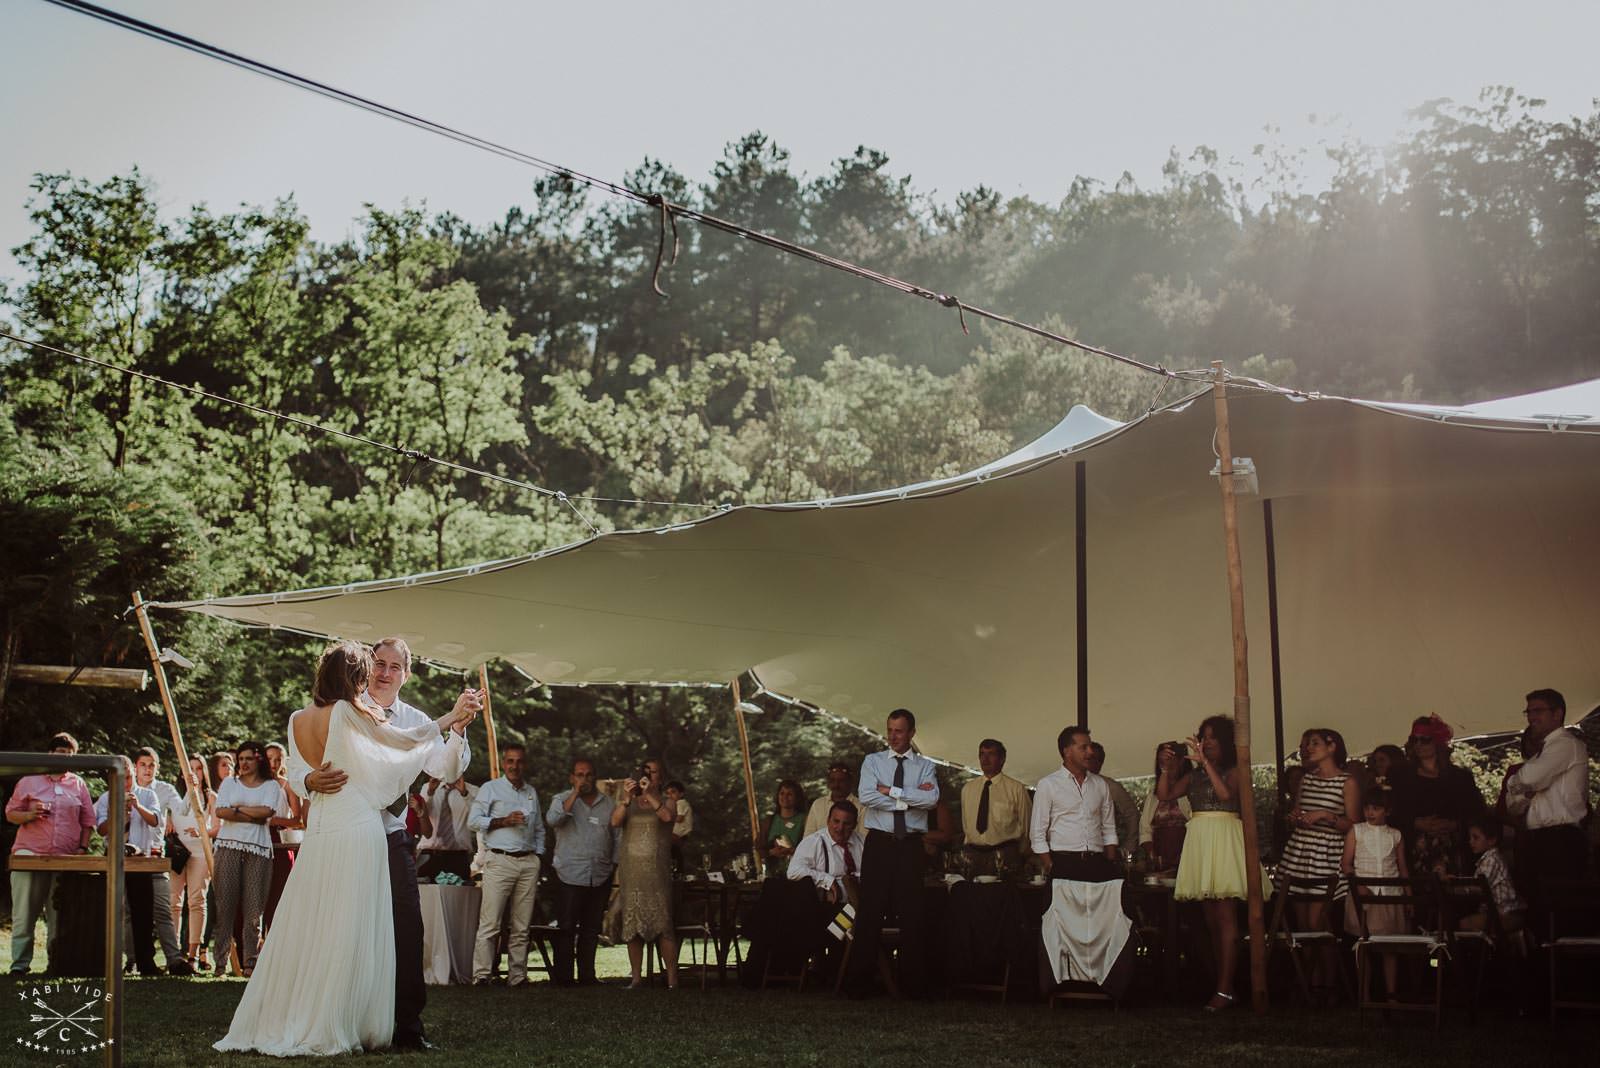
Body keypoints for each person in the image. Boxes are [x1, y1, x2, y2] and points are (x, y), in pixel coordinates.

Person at [215, 639, 472, 1055]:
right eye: (376, 665)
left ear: (406, 673)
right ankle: (342, 1018)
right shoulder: (353, 711)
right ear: (361, 673)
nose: (383, 673)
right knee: (343, 926)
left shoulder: (315, 715)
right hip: (354, 829)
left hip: (362, 835)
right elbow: (308, 770)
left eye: (393, 666)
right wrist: (308, 781)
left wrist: (456, 729)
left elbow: (442, 765)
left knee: (392, 929)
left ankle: (400, 1024)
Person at [1161, 715, 1258, 1012]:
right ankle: (1223, 985)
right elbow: (1164, 795)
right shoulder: (1193, 776)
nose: (1207, 741)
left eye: (1213, 736)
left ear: (1226, 741)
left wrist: (1206, 764)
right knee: (1211, 920)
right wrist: (1167, 769)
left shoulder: (1235, 769)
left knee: (1227, 917)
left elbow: (1226, 794)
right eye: (1203, 736)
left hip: (1225, 836)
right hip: (1201, 839)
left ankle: (1226, 988)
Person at [846, 708, 938, 998]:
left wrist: (893, 792)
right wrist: (910, 797)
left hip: (910, 845)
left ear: (911, 733)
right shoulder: (872, 761)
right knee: (870, 910)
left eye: (899, 731)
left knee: (913, 913)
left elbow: (932, 799)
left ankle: (914, 987)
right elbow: (868, 796)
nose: (893, 736)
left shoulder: (925, 765)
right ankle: (859, 985)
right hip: (880, 843)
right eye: (889, 730)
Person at [1033, 726, 1131, 996]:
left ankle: (1105, 981)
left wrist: (1110, 863)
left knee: (1101, 923)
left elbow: (1109, 828)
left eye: (1090, 747)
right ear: (1066, 751)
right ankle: (1059, 983)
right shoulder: (1048, 785)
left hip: (1097, 863)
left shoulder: (1100, 785)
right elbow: (1037, 834)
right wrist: (1051, 865)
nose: (1090, 751)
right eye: (1083, 746)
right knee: (1062, 924)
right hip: (1063, 861)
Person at [7, 733, 95, 975]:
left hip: (65, 858)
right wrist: (29, 815)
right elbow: (10, 813)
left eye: (70, 755)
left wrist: (82, 848)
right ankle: (19, 966)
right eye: (61, 753)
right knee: (24, 913)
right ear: (50, 754)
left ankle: (57, 964)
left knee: (60, 915)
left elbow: (88, 821)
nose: (65, 758)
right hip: (29, 854)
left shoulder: (78, 783)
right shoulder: (29, 780)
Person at [1504, 689, 1589, 924]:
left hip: (1561, 839)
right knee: (1537, 910)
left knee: (1562, 910)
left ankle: (1564, 960)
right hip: (1538, 839)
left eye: (1538, 710)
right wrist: (1522, 785)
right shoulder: (1540, 753)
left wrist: (1519, 783)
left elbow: (1529, 779)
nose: (1531, 717)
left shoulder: (1566, 744)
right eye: (1528, 711)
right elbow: (1513, 804)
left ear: (1557, 713)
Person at [467, 743, 544, 987]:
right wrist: (503, 820)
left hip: (528, 862)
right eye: (510, 761)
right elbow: (473, 821)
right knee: (490, 923)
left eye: (519, 761)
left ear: (525, 764)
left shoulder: (531, 792)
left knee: (522, 925)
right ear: (504, 763)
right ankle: (481, 976)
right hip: (499, 860)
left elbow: (540, 828)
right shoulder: (491, 789)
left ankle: (517, 977)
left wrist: (538, 855)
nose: (514, 766)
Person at [1277, 729, 1361, 941]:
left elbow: (1354, 825)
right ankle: (1309, 974)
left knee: (1317, 922)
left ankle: (1329, 974)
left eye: (1315, 743)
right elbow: (1298, 812)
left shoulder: (1347, 782)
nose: (1308, 748)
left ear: (1332, 747)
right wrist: (1296, 817)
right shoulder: (1307, 779)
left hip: (1326, 853)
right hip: (1300, 852)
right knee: (1302, 925)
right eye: (1307, 744)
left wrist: (1325, 815)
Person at [211, 741, 283, 977]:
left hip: (259, 851)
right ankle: (220, 964)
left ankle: (250, 963)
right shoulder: (229, 783)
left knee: (254, 911)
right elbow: (221, 811)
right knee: (226, 908)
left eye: (248, 759)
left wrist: (238, 809)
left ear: (258, 760)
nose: (243, 763)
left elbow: (267, 813)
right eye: (240, 759)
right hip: (228, 849)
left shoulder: (271, 786)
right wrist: (252, 812)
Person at [546, 757, 617, 986]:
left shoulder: (609, 804)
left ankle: (587, 976)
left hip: (600, 874)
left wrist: (613, 867)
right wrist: (574, 794)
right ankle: (564, 978)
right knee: (566, 928)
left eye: (588, 775)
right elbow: (553, 820)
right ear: (572, 778)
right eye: (579, 775)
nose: (584, 779)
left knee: (591, 928)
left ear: (595, 777)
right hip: (569, 872)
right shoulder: (561, 799)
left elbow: (617, 837)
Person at [610, 756, 678, 988]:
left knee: (663, 923)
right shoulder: (630, 802)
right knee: (633, 923)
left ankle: (671, 978)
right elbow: (615, 822)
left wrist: (650, 795)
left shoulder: (669, 801)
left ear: (661, 777)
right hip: (632, 871)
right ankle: (636, 977)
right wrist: (627, 799)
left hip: (656, 873)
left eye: (654, 772)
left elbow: (667, 817)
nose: (648, 775)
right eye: (645, 771)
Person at [129, 747, 194, 975]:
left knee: (162, 910)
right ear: (136, 767)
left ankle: (174, 960)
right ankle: (133, 958)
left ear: (158, 767)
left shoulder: (164, 789)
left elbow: (183, 810)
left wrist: (190, 788)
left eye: (152, 765)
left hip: (154, 856)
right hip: (130, 857)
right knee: (128, 912)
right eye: (143, 764)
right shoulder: (126, 787)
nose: (147, 769)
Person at [1396, 715, 1485, 876]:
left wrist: (1454, 824)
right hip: (1415, 852)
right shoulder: (1401, 777)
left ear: (1437, 742)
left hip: (1454, 850)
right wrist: (1415, 823)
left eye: (1425, 740)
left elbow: (1476, 812)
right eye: (1414, 739)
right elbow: (1392, 812)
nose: (1418, 744)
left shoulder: (1460, 777)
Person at [1341, 787, 1408, 998]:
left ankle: (1391, 993)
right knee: (1364, 944)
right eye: (1367, 808)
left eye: (1376, 808)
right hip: (1364, 894)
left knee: (1390, 946)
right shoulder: (1357, 831)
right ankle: (1364, 993)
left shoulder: (1396, 835)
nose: (1370, 812)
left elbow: (1402, 867)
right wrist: (1358, 885)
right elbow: (1346, 864)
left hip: (1389, 894)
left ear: (1387, 811)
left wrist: (1408, 896)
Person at [168, 754, 215, 971]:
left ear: (203, 772)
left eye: (198, 768)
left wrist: (202, 831)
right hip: (177, 852)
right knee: (173, 902)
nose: (194, 772)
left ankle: (193, 954)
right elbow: (172, 814)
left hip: (199, 852)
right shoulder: (175, 796)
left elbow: (218, 826)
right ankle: (173, 953)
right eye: (190, 769)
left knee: (196, 900)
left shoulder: (210, 797)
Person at [959, 738, 1032, 875]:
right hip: (973, 853)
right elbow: (966, 824)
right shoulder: (968, 789)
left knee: (1003, 895)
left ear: (1002, 759)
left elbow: (1027, 825)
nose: (985, 759)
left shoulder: (1016, 789)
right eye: (982, 754)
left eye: (990, 754)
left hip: (1005, 853)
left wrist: (1020, 854)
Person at [262, 742, 304, 936]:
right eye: (270, 758)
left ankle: (277, 938)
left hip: (279, 839)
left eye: (278, 759)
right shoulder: (254, 783)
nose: (274, 762)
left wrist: (274, 820)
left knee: (279, 894)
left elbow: (298, 820)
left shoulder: (287, 785)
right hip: (258, 839)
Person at [790, 800, 866, 905]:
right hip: (828, 908)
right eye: (836, 821)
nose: (840, 828)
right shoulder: (814, 842)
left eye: (846, 824)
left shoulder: (862, 842)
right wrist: (827, 880)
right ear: (828, 820)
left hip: (859, 907)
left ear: (854, 825)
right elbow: (793, 871)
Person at [1463, 815, 1525, 935]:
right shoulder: (1486, 860)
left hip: (1505, 913)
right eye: (1470, 837)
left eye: (1475, 838)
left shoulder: (1492, 860)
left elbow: (1477, 887)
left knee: (1464, 923)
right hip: (1497, 912)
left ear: (1491, 840)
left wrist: (1457, 888)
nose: (1470, 841)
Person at [1139, 743, 1191, 871]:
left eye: (1170, 760)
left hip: (1189, 850)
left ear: (1181, 761)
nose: (1168, 765)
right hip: (1160, 853)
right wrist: (1152, 854)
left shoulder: (1192, 790)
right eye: (1162, 762)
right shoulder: (1153, 795)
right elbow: (1145, 829)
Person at [416, 775, 478, 881]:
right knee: (426, 894)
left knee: (459, 895)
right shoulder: (428, 787)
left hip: (458, 857)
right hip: (430, 854)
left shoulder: (472, 790)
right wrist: (430, 793)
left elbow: (477, 820)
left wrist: (465, 794)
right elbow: (422, 815)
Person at [1087, 742, 1140, 863]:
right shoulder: (1068, 786)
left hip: (1104, 851)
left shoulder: (1111, 786)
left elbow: (1132, 814)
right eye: (1089, 758)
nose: (1092, 762)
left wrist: (1127, 848)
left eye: (1097, 759)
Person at [803, 761, 860, 838]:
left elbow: (863, 839)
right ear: (828, 783)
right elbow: (808, 837)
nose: (836, 785)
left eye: (841, 781)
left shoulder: (861, 806)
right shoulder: (818, 804)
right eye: (832, 780)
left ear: (850, 782)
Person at [762, 780, 807, 877]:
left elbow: (811, 849)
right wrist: (771, 852)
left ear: (797, 797)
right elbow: (759, 849)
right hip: (772, 876)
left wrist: (792, 851)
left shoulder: (805, 820)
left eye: (789, 794)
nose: (785, 797)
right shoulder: (769, 820)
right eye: (782, 793)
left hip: (798, 875)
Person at [665, 780, 693, 873]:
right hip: (677, 834)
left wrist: (667, 818)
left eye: (673, 792)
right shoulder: (677, 804)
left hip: (680, 834)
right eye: (668, 793)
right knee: (674, 854)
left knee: (675, 856)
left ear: (681, 794)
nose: (670, 795)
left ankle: (678, 873)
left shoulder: (681, 803)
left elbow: (679, 818)